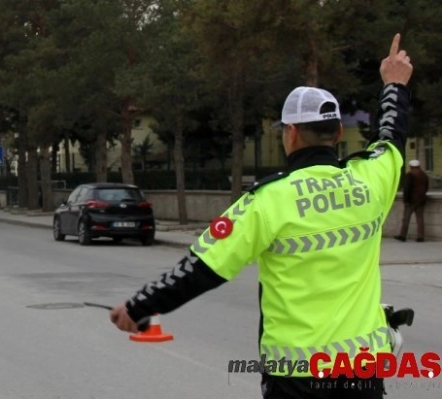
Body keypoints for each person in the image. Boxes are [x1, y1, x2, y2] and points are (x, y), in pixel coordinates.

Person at [110, 33, 413, 399]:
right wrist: (394, 84)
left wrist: (141, 306)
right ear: (336, 133)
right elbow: (391, 135)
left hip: (296, 379)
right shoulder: (371, 180)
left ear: (289, 133)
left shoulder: (267, 200)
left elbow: (201, 268)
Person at [394, 159, 428, 242]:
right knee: (420, 219)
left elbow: (407, 189)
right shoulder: (424, 175)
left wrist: (406, 200)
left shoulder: (409, 175)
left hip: (410, 201)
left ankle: (403, 235)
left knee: (406, 219)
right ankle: (420, 237)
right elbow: (426, 187)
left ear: (411, 167)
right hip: (421, 200)